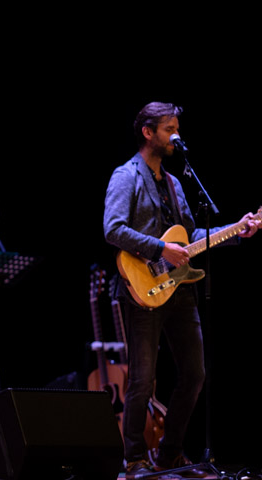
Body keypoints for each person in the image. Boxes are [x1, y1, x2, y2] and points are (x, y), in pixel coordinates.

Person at [103, 101, 259, 478]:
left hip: (180, 288)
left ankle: (169, 454)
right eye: (169, 129)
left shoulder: (173, 184)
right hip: (142, 288)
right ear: (148, 132)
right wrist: (160, 249)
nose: (177, 136)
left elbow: (191, 238)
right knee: (142, 379)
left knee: (194, 373)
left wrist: (237, 230)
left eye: (177, 129)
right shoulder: (126, 176)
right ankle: (134, 459)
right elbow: (113, 228)